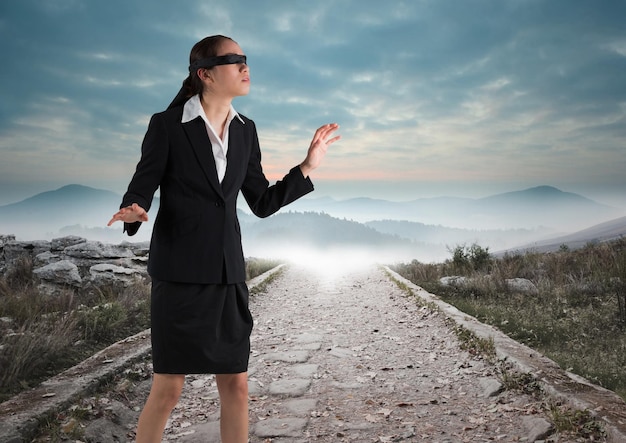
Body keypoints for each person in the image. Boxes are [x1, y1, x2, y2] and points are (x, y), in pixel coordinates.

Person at [107, 35, 340, 443]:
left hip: (227, 274)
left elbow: (262, 202)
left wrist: (306, 166)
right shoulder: (167, 125)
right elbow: (142, 185)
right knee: (168, 389)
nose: (245, 67)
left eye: (245, 60)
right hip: (179, 276)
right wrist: (134, 210)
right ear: (206, 74)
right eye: (234, 61)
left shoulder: (247, 130)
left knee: (237, 385)